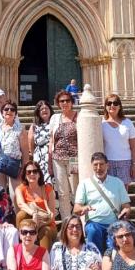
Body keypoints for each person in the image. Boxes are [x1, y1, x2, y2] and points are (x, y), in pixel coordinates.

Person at [73, 152, 131, 255]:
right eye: (95, 165)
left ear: (107, 165)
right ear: (92, 166)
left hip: (114, 223)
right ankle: (95, 260)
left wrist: (126, 211)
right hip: (94, 223)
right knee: (93, 230)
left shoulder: (117, 182)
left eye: (101, 164)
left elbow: (126, 206)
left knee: (113, 250)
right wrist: (83, 208)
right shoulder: (84, 184)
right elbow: (76, 209)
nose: (99, 168)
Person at [0, 100, 29, 196]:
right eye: (6, 109)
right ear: (2, 112)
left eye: (12, 109)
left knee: (16, 195)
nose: (9, 111)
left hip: (13, 165)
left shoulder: (20, 129)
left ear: (15, 114)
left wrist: (24, 169)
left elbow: (25, 151)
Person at [13, 161, 57, 249]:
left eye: (35, 171)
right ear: (25, 175)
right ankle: (22, 247)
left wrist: (39, 223)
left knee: (45, 231)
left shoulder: (48, 189)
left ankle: (44, 256)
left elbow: (52, 214)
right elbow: (21, 204)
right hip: (30, 222)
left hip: (46, 224)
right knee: (21, 214)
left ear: (39, 174)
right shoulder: (20, 189)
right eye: (29, 172)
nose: (32, 174)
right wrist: (33, 214)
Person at [49, 90, 79, 218]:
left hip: (74, 158)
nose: (65, 103)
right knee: (62, 193)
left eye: (67, 100)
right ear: (58, 103)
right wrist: (49, 161)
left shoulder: (79, 117)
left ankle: (78, 220)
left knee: (76, 191)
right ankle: (67, 220)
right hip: (57, 158)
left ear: (72, 102)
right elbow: (51, 140)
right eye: (62, 101)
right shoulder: (55, 118)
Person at [101, 94, 135, 188]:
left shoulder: (128, 123)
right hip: (107, 162)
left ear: (119, 106)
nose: (112, 105)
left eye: (115, 103)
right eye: (109, 103)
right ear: (105, 106)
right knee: (109, 191)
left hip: (125, 162)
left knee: (123, 192)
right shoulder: (101, 123)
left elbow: (134, 146)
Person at [27, 101, 53, 186]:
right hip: (39, 156)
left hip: (52, 155)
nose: (44, 110)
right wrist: (34, 155)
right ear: (38, 112)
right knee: (40, 180)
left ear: (50, 110)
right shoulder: (34, 126)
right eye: (41, 109)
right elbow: (30, 143)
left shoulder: (55, 123)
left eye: (46, 108)